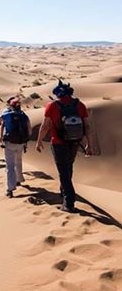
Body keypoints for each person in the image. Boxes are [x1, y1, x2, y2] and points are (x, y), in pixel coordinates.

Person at [35, 80, 92, 213]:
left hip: (58, 143)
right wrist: (89, 144)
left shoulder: (52, 106)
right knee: (68, 167)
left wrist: (39, 141)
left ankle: (69, 202)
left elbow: (45, 126)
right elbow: (87, 126)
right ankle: (64, 191)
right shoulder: (80, 105)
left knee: (63, 172)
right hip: (75, 142)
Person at [0, 98, 31, 198]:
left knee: (10, 165)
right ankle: (19, 179)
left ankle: (10, 189)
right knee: (18, 161)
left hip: (9, 143)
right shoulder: (24, 116)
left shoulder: (6, 114)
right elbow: (30, 131)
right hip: (21, 143)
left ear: (11, 106)